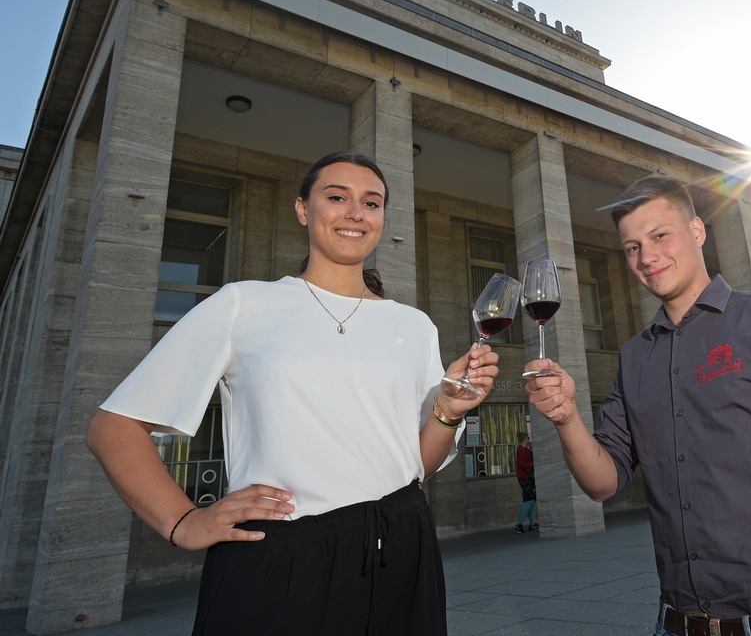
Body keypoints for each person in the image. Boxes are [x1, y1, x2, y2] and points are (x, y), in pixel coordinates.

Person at [86, 151, 500, 636]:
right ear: (303, 209)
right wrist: (182, 522)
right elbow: (112, 427)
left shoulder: (414, 326)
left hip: (403, 548)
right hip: (283, 556)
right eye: (336, 197)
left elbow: (413, 467)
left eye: (371, 202)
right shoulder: (244, 304)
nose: (355, 213)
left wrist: (447, 412)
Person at [523, 176, 751, 636]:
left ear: (698, 231)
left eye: (660, 236)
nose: (647, 257)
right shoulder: (635, 356)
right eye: (631, 247)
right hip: (678, 624)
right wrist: (566, 418)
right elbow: (603, 483)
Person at [514, 432, 538, 533]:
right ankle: (519, 525)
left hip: (528, 477)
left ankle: (532, 524)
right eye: (528, 438)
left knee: (532, 500)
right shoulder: (521, 449)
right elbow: (521, 464)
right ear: (525, 439)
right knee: (529, 500)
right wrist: (531, 464)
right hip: (524, 477)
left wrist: (532, 448)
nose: (529, 440)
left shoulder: (525, 449)